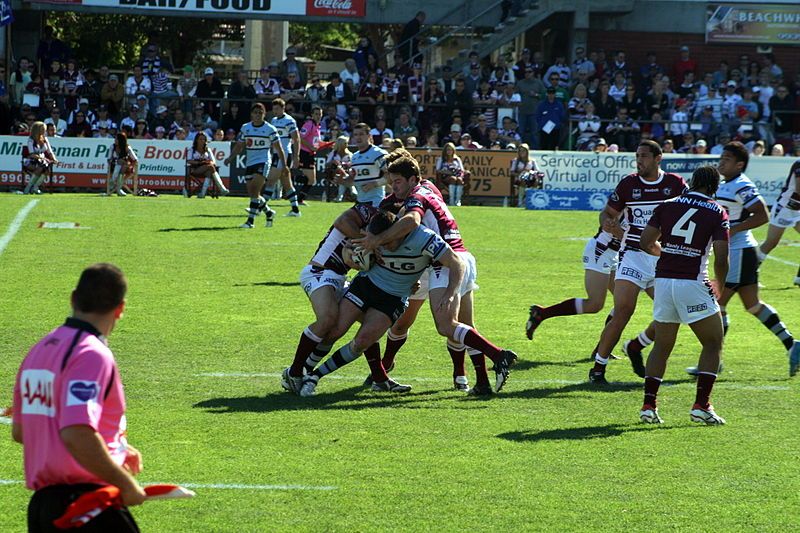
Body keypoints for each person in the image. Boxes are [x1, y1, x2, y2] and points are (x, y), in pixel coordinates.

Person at [353, 155, 518, 396]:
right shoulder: (427, 187)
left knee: (446, 325)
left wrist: (376, 240)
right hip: (460, 257)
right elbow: (395, 207)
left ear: (412, 179)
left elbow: (412, 220)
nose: (393, 187)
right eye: (391, 182)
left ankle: (498, 355)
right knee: (464, 325)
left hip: (443, 262)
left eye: (397, 182)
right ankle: (482, 382)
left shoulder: (416, 197)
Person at [11, 263, 146, 531]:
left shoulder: (39, 349)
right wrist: (125, 483)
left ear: (73, 298)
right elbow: (76, 432)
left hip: (43, 508)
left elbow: (22, 430)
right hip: (86, 506)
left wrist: (114, 449)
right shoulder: (91, 354)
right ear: (120, 308)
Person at [691, 143, 799, 376]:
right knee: (753, 306)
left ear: (739, 164)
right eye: (721, 158)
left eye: (727, 159)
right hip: (742, 253)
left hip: (739, 252)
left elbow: (762, 214)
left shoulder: (742, 185)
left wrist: (733, 229)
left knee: (717, 305)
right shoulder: (725, 184)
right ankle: (793, 345)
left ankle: (713, 362)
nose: (721, 162)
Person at [588, 140, 688, 384]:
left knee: (674, 312)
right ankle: (598, 368)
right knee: (623, 311)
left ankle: (636, 345)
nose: (639, 161)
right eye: (637, 156)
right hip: (632, 256)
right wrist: (606, 223)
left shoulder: (675, 184)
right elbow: (607, 212)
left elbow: (690, 212)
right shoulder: (629, 184)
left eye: (644, 156)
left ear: (658, 158)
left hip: (662, 259)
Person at [638, 166, 730, 425]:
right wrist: (719, 283)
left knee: (662, 345)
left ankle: (648, 405)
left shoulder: (667, 204)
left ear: (692, 182)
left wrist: (668, 253)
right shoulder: (717, 211)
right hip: (693, 281)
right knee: (713, 342)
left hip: (664, 281)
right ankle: (701, 405)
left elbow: (646, 241)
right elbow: (722, 257)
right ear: (714, 186)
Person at [282, 202, 379, 392]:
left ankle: (380, 377)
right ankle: (294, 372)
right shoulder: (369, 210)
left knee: (370, 322)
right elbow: (342, 221)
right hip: (319, 270)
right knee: (327, 318)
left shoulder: (390, 227)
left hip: (340, 277)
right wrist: (366, 242)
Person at [223, 103, 287, 229]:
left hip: (263, 161)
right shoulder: (245, 128)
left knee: (255, 189)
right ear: (251, 114)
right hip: (250, 162)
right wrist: (230, 158)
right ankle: (269, 213)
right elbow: (239, 146)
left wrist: (284, 166)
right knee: (253, 193)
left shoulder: (270, 129)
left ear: (264, 115)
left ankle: (250, 221)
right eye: (255, 112)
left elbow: (279, 149)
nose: (257, 115)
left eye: (260, 113)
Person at [758, 159, 800, 287]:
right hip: (786, 207)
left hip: (797, 209)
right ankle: (748, 274)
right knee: (771, 242)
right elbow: (799, 188)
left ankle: (799, 278)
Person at [266, 98, 302, 216]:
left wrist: (296, 156)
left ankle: (259, 207)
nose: (275, 111)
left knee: (271, 181)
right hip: (276, 154)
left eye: (277, 109)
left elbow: (296, 139)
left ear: (283, 108)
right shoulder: (274, 120)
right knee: (287, 183)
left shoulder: (289, 121)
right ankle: (295, 210)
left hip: (285, 154)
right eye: (274, 109)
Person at [347, 122, 389, 207]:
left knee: (344, 219)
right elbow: (354, 182)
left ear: (369, 136)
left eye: (361, 134)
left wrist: (374, 184)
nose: (358, 137)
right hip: (359, 202)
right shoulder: (354, 156)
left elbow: (390, 176)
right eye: (356, 135)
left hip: (375, 202)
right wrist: (343, 180)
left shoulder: (378, 153)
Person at [188, 131, 229, 198]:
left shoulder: (208, 150)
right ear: (197, 140)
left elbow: (214, 162)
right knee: (210, 167)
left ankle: (202, 194)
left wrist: (206, 162)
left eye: (204, 139)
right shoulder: (192, 150)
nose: (202, 141)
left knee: (209, 171)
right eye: (200, 139)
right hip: (195, 169)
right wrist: (199, 162)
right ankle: (222, 188)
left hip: (207, 168)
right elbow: (189, 161)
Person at [21, 121, 58, 195]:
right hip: (31, 161)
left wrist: (54, 159)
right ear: (37, 130)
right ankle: (28, 187)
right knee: (41, 168)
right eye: (43, 129)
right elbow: (32, 154)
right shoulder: (31, 140)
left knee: (46, 169)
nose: (44, 131)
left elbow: (49, 151)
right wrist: (43, 159)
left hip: (42, 161)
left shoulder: (45, 139)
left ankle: (35, 187)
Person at [298, 106, 323, 204]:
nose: (318, 116)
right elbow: (300, 137)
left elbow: (316, 141)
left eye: (320, 114)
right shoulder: (309, 124)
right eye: (316, 114)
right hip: (305, 153)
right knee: (311, 179)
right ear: (312, 115)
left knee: (311, 179)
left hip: (311, 154)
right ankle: (299, 198)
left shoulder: (318, 126)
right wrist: (311, 147)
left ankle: (300, 198)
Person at [509, 143, 540, 208]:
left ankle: (531, 200)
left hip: (530, 178)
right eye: (520, 151)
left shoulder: (532, 161)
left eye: (523, 151)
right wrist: (520, 173)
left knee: (536, 181)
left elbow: (538, 171)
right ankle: (520, 202)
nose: (522, 152)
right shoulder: (516, 161)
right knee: (523, 179)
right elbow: (512, 172)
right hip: (519, 178)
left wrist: (530, 172)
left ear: (527, 151)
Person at [435, 142, 466, 207]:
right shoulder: (442, 159)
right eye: (448, 150)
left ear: (453, 150)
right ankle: (451, 201)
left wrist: (459, 173)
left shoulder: (457, 159)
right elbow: (437, 170)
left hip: (457, 175)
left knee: (459, 180)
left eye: (451, 150)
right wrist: (446, 172)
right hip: (445, 176)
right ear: (445, 151)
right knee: (453, 179)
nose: (449, 151)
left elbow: (462, 169)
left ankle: (457, 201)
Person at [106, 132, 137, 197]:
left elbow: (135, 159)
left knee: (123, 164)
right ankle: (118, 188)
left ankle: (114, 182)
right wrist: (116, 161)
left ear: (121, 140)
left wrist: (130, 165)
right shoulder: (113, 146)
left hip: (126, 168)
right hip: (114, 165)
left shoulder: (127, 147)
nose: (115, 140)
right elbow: (109, 158)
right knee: (120, 163)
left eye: (116, 139)